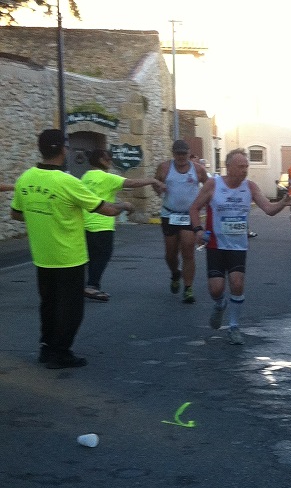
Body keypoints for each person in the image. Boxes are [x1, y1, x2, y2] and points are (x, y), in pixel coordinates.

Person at [10, 129, 133, 368]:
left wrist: (42, 214)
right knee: (71, 308)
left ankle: (47, 348)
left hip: (42, 256)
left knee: (48, 304)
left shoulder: (25, 179)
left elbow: (16, 214)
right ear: (62, 149)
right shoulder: (67, 182)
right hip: (69, 257)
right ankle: (61, 353)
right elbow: (105, 209)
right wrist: (125, 204)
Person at [188, 148, 291, 345]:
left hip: (238, 246)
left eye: (246, 166)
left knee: (237, 283)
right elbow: (194, 208)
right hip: (216, 245)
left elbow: (269, 209)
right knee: (216, 289)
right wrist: (198, 230)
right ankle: (220, 304)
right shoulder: (214, 184)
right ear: (228, 167)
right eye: (240, 166)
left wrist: (285, 202)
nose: (244, 170)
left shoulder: (250, 187)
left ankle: (234, 327)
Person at [81, 147, 163, 301]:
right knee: (103, 256)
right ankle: (92, 286)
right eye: (108, 158)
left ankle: (89, 285)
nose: (111, 161)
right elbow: (131, 182)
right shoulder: (107, 178)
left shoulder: (85, 177)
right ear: (101, 160)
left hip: (86, 223)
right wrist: (152, 180)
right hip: (102, 224)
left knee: (92, 257)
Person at [154, 139, 208, 304]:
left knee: (188, 251)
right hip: (169, 214)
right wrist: (159, 188)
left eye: (184, 153)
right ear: (173, 153)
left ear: (188, 153)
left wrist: (203, 202)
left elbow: (208, 186)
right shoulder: (164, 168)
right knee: (170, 254)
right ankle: (175, 273)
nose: (181, 157)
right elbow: (156, 184)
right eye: (178, 153)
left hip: (188, 215)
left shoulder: (198, 169)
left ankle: (188, 288)